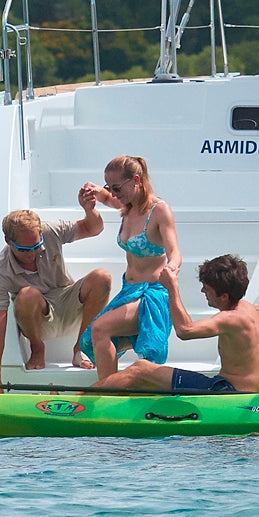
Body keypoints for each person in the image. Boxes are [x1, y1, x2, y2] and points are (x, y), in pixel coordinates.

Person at [0, 189, 112, 386]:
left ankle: (82, 348)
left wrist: (90, 210)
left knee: (102, 277)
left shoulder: (51, 231)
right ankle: (37, 349)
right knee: (27, 295)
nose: (32, 254)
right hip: (37, 320)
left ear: (41, 234)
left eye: (37, 246)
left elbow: (93, 228)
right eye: (25, 250)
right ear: (9, 242)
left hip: (69, 304)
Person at [98, 254, 259, 395]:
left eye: (207, 289)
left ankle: (77, 403)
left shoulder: (231, 318)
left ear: (224, 296)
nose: (203, 291)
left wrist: (171, 287)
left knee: (139, 369)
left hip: (228, 393)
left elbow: (185, 330)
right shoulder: (250, 310)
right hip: (245, 391)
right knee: (148, 380)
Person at [78, 155, 181, 378]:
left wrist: (171, 268)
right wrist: (93, 191)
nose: (113, 192)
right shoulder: (127, 204)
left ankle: (108, 392)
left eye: (116, 187)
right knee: (93, 338)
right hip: (129, 291)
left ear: (136, 180)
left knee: (100, 329)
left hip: (151, 294)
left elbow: (175, 253)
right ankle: (115, 387)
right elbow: (107, 198)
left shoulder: (159, 211)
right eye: (109, 186)